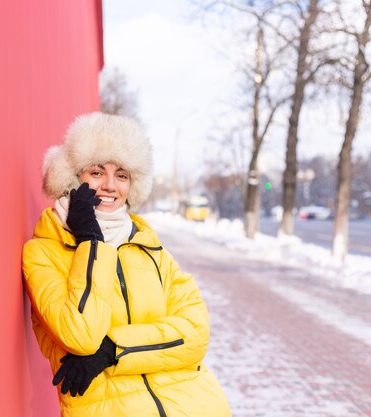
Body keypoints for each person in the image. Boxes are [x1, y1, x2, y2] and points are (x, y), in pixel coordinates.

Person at [22, 112, 231, 417]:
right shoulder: (43, 252)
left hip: (196, 406)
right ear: (71, 177)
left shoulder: (149, 247)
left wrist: (112, 351)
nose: (109, 185)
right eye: (96, 172)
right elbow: (80, 335)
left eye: (121, 175)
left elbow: (194, 333)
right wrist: (91, 242)